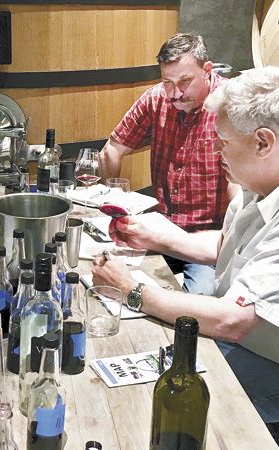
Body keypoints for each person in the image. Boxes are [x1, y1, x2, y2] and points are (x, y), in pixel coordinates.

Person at [93, 66, 279, 423]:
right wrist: (160, 238)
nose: (215, 151)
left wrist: (131, 290)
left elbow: (233, 321)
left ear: (263, 142)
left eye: (223, 141)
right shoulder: (269, 174)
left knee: (164, 402)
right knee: (149, 353)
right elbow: (233, 246)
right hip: (256, 343)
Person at [98, 33, 237, 295]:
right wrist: (114, 204)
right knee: (108, 279)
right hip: (159, 227)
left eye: (185, 81)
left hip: (206, 240)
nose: (175, 93)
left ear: (206, 70)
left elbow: (238, 188)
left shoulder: (229, 103)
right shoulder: (156, 98)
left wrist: (230, 243)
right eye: (167, 82)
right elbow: (109, 153)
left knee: (196, 307)